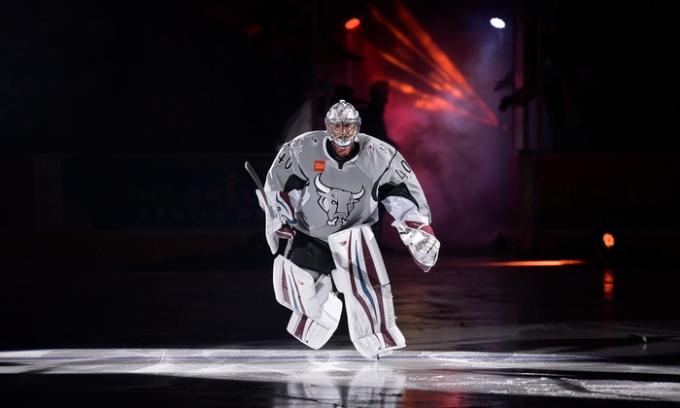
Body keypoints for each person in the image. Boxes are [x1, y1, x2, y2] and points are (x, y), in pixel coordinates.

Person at [255, 100, 440, 359]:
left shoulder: (379, 156)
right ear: (328, 127)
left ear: (358, 127)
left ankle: (377, 336)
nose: (342, 133)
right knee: (289, 285)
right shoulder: (303, 149)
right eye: (337, 126)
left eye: (348, 126)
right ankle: (323, 308)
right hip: (311, 235)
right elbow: (279, 184)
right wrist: (280, 216)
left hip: (355, 238)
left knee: (366, 292)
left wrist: (418, 229)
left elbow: (403, 193)